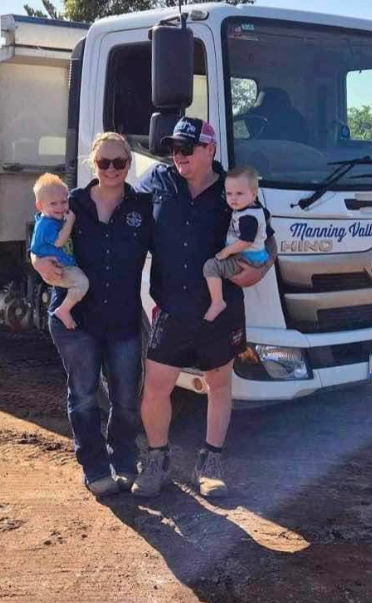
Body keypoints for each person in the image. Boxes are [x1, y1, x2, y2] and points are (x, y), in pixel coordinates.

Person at [131, 117, 276, 499]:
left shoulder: (234, 189)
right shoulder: (158, 182)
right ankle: (157, 462)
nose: (177, 156)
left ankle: (209, 465)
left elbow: (268, 237)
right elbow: (123, 209)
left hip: (220, 308)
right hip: (172, 308)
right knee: (156, 388)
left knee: (218, 384)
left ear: (210, 150)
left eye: (186, 149)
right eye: (174, 149)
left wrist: (260, 270)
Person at [32, 133, 153, 498]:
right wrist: (36, 260)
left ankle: (125, 462)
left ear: (129, 165)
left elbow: (174, 244)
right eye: (104, 162)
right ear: (93, 164)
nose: (112, 169)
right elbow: (40, 238)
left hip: (124, 319)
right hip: (77, 320)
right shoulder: (74, 204)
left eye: (120, 163)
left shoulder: (142, 207)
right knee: (83, 395)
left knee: (127, 398)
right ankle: (95, 467)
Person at [202, 165, 272, 321]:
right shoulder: (252, 209)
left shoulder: (248, 217)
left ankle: (217, 302)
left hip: (246, 257)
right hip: (255, 254)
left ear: (253, 194)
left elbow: (246, 241)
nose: (233, 198)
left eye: (239, 194)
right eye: (229, 193)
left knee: (210, 267)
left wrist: (225, 252)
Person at [29, 174, 89, 330]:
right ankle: (63, 310)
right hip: (58, 268)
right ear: (39, 206)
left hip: (63, 265)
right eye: (53, 204)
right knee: (82, 284)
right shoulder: (46, 225)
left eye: (64, 202)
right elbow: (60, 241)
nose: (60, 207)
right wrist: (69, 221)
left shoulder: (53, 218)